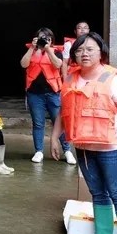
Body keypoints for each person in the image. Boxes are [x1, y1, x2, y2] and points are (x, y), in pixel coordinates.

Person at [50, 32, 117, 234]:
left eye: (90, 49)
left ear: (101, 52)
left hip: (110, 147)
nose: (84, 53)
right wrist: (54, 138)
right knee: (97, 192)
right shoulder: (70, 79)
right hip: (83, 145)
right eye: (79, 50)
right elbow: (62, 111)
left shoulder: (114, 78)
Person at [20, 28, 76, 165]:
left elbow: (58, 64)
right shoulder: (31, 51)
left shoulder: (56, 51)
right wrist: (33, 48)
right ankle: (38, 151)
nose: (43, 40)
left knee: (60, 123)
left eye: (46, 38)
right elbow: (24, 64)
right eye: (41, 38)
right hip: (34, 94)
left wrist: (48, 49)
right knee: (38, 123)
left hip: (53, 93)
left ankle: (67, 150)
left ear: (51, 40)